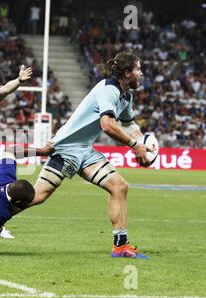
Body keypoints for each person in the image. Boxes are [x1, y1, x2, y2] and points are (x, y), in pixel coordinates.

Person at [14, 50, 151, 259]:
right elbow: (107, 125)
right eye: (138, 69)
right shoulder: (109, 90)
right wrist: (134, 145)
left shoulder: (126, 96)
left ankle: (121, 246)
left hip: (84, 150)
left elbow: (129, 124)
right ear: (126, 72)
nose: (141, 74)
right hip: (66, 148)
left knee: (119, 186)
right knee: (37, 196)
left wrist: (144, 143)